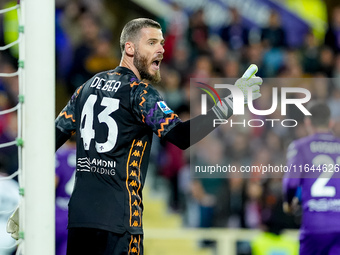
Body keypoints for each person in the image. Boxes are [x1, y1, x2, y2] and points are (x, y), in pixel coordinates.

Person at [8, 18, 262, 254]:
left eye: (162, 43)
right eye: (151, 42)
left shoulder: (85, 88)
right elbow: (183, 136)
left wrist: (28, 199)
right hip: (119, 221)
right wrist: (231, 102)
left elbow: (45, 145)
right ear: (129, 48)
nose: (161, 49)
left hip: (80, 223)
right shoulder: (139, 93)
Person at [283, 102, 340, 255]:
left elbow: (291, 183)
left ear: (308, 122)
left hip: (315, 225)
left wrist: (289, 203)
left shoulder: (301, 147)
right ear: (331, 122)